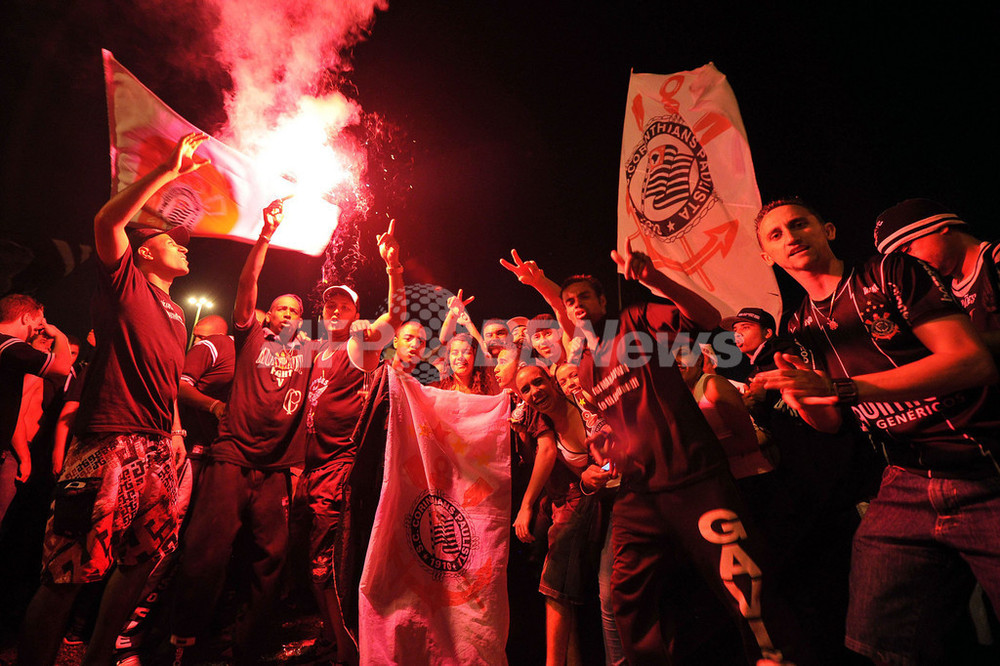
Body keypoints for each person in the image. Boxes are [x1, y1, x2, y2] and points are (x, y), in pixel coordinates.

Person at [754, 197, 1000, 664]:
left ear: (826, 229)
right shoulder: (797, 323)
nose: (791, 237)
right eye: (776, 235)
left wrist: (844, 388)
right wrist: (801, 396)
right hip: (905, 480)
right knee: (878, 644)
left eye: (799, 224)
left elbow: (971, 361)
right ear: (767, 257)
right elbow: (829, 423)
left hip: (981, 468)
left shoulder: (889, 273)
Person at [20, 132, 205, 666]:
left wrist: (172, 434)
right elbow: (106, 224)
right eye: (172, 240)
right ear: (144, 249)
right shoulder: (126, 283)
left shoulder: (177, 317)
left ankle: (99, 658)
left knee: (142, 564)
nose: (184, 244)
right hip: (109, 443)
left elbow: (167, 381)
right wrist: (169, 171)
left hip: (156, 450)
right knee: (69, 572)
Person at [567, 246, 801, 665]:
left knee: (743, 585)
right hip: (640, 492)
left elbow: (706, 320)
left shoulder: (634, 323)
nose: (577, 304)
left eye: (586, 296)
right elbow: (622, 424)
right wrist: (610, 446)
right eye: (569, 302)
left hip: (695, 479)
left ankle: (777, 658)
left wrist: (656, 280)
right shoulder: (585, 370)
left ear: (603, 302)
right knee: (625, 598)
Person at [170, 196, 309, 663]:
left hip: (276, 469)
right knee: (205, 552)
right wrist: (265, 236)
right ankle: (184, 642)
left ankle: (249, 647)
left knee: (270, 561)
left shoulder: (310, 352)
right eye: (280, 308)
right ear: (267, 316)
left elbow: (368, 334)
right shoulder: (251, 336)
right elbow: (248, 284)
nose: (288, 314)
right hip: (231, 458)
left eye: (296, 310)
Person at [291, 218, 403, 665]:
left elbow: (394, 319)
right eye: (329, 302)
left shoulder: (360, 346)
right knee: (316, 567)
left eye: (344, 304)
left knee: (332, 567)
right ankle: (332, 637)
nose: (335, 308)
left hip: (340, 469)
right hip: (311, 469)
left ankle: (346, 652)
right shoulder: (317, 350)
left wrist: (394, 269)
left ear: (356, 313)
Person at [514, 365, 604, 666]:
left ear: (551, 381)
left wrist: (526, 506)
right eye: (525, 389)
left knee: (557, 585)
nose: (534, 392)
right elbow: (578, 468)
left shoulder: (584, 406)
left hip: (608, 500)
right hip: (581, 495)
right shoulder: (539, 418)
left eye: (537, 382)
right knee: (557, 587)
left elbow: (609, 455)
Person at [874, 197, 1000, 354]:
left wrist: (953, 345)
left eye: (907, 250)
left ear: (941, 227)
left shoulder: (996, 259)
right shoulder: (945, 292)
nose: (908, 264)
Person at [0, 294, 71, 522]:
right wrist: (58, 334)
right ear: (26, 318)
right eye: (39, 322)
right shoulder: (10, 346)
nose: (41, 329)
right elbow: (61, 367)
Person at [433, 332, 499, 395]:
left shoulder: (488, 389)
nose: (460, 357)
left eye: (466, 352)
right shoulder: (439, 387)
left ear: (475, 357)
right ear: (449, 357)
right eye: (455, 353)